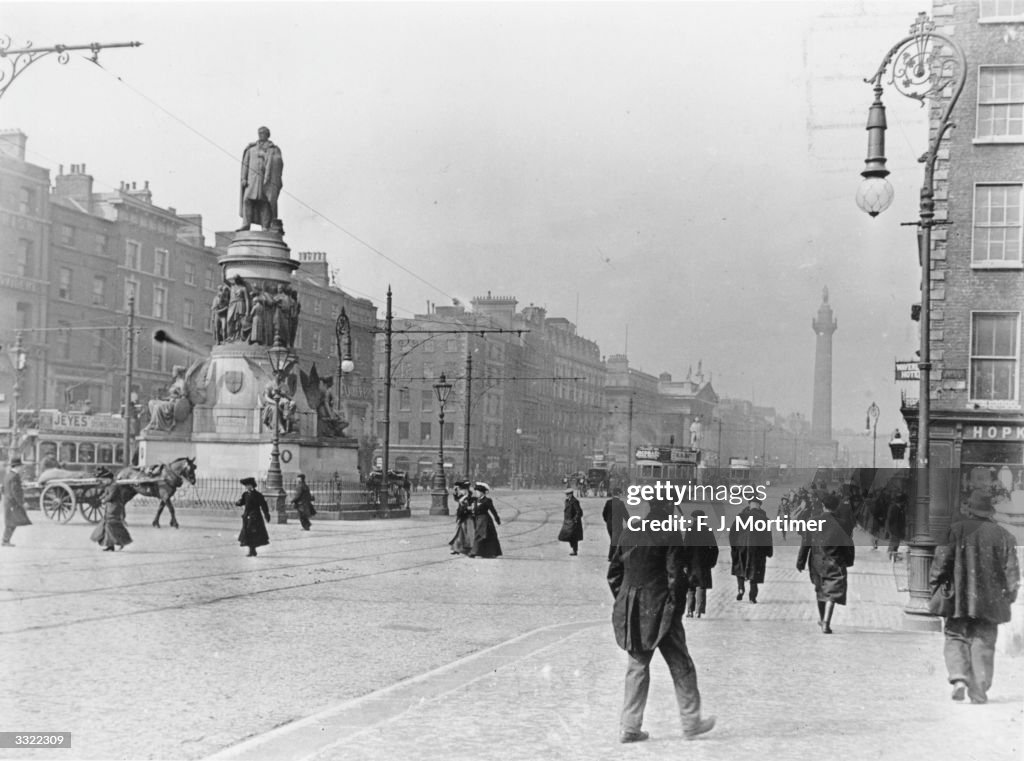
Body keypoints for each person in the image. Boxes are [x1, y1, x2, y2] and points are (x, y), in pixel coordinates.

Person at [608, 499, 716, 744]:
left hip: (634, 611)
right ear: (668, 509)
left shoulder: (630, 530)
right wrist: (674, 609)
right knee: (681, 665)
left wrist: (626, 600)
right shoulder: (670, 533)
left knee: (636, 668)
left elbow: (614, 574)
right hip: (662, 610)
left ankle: (629, 726)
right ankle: (691, 722)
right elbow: (675, 577)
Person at [930, 490, 1019, 704]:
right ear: (990, 511)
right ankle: (979, 690)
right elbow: (1012, 574)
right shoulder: (1005, 536)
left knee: (955, 636)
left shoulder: (955, 531)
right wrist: (1009, 596)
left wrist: (935, 586)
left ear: (968, 509)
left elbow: (941, 563)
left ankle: (959, 678)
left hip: (958, 599)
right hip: (990, 601)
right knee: (984, 641)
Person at [796, 494, 854, 633]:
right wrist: (849, 561)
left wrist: (801, 561)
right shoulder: (844, 523)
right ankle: (826, 622)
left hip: (817, 561)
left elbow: (805, 543)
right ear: (837, 507)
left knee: (820, 590)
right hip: (836, 561)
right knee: (832, 592)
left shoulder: (813, 521)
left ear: (823, 506)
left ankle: (822, 619)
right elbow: (849, 544)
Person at [238, 126, 284, 231]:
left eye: (263, 133)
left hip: (265, 181)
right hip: (252, 181)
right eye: (260, 132)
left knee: (264, 203)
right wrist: (243, 178)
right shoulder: (251, 149)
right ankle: (246, 224)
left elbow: (279, 162)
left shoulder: (273, 149)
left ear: (268, 135)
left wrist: (268, 157)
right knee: (247, 200)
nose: (261, 134)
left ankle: (265, 226)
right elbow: (245, 164)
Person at [729, 497, 773, 603]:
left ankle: (740, 588)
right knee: (754, 572)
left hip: (741, 548)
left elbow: (732, 534)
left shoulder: (741, 516)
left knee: (740, 569)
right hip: (757, 550)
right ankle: (752, 596)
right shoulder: (764, 519)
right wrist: (768, 551)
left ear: (750, 505)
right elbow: (767, 537)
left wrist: (734, 547)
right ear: (758, 506)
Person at [683, 508, 719, 618]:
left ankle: (689, 610)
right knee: (701, 586)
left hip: (691, 563)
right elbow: (714, 549)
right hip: (704, 563)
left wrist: (684, 564)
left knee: (690, 587)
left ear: (693, 519)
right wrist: (712, 562)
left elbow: (685, 548)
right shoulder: (708, 531)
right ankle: (698, 610)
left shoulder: (689, 531)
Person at [90, 467, 133, 551]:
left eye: (104, 480)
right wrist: (100, 498)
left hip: (115, 507)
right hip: (110, 507)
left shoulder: (114, 486)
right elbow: (105, 494)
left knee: (112, 524)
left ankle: (121, 542)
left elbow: (110, 496)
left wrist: (103, 500)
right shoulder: (108, 485)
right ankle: (110, 546)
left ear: (109, 479)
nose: (103, 481)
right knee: (107, 526)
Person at [237, 477, 271, 557]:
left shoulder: (258, 495)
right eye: (245, 485)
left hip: (255, 517)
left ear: (252, 485)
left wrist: (266, 514)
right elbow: (242, 502)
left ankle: (252, 551)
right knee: (248, 533)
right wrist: (238, 502)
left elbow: (263, 505)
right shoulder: (245, 494)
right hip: (247, 516)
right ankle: (252, 551)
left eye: (247, 485)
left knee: (252, 533)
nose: (246, 487)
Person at [2, 457, 30, 547]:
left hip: (8, 501)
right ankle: (5, 541)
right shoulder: (15, 476)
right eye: (21, 466)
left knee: (12, 522)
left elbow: (3, 489)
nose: (22, 468)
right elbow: (15, 491)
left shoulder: (8, 475)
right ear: (18, 466)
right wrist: (22, 503)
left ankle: (5, 540)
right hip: (12, 503)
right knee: (11, 522)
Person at [469, 482, 502, 558]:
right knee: (484, 535)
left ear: (482, 493)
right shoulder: (476, 500)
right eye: (476, 492)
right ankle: (483, 552)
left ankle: (475, 552)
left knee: (486, 535)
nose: (476, 493)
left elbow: (493, 510)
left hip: (485, 520)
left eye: (477, 492)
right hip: (478, 519)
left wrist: (497, 519)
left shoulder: (487, 500)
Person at [448, 480, 475, 555]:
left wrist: (469, 508)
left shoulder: (470, 497)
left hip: (468, 516)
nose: (461, 491)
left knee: (469, 533)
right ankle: (456, 548)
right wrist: (455, 491)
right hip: (462, 516)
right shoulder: (463, 496)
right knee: (460, 533)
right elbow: (457, 498)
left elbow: (473, 506)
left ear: (466, 490)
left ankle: (471, 549)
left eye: (462, 489)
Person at [602, 487, 628, 561]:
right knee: (615, 541)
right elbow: (625, 515)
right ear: (618, 494)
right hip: (617, 526)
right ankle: (611, 556)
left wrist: (607, 521)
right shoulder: (620, 503)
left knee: (614, 540)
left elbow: (604, 513)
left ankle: (614, 555)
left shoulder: (608, 502)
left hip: (609, 525)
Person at [559, 487, 584, 556]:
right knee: (568, 536)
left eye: (568, 494)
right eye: (566, 494)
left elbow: (579, 512)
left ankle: (575, 550)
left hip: (573, 523)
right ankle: (573, 548)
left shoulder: (575, 501)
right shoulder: (567, 501)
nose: (567, 495)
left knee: (574, 537)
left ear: (571, 494)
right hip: (568, 522)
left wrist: (575, 519)